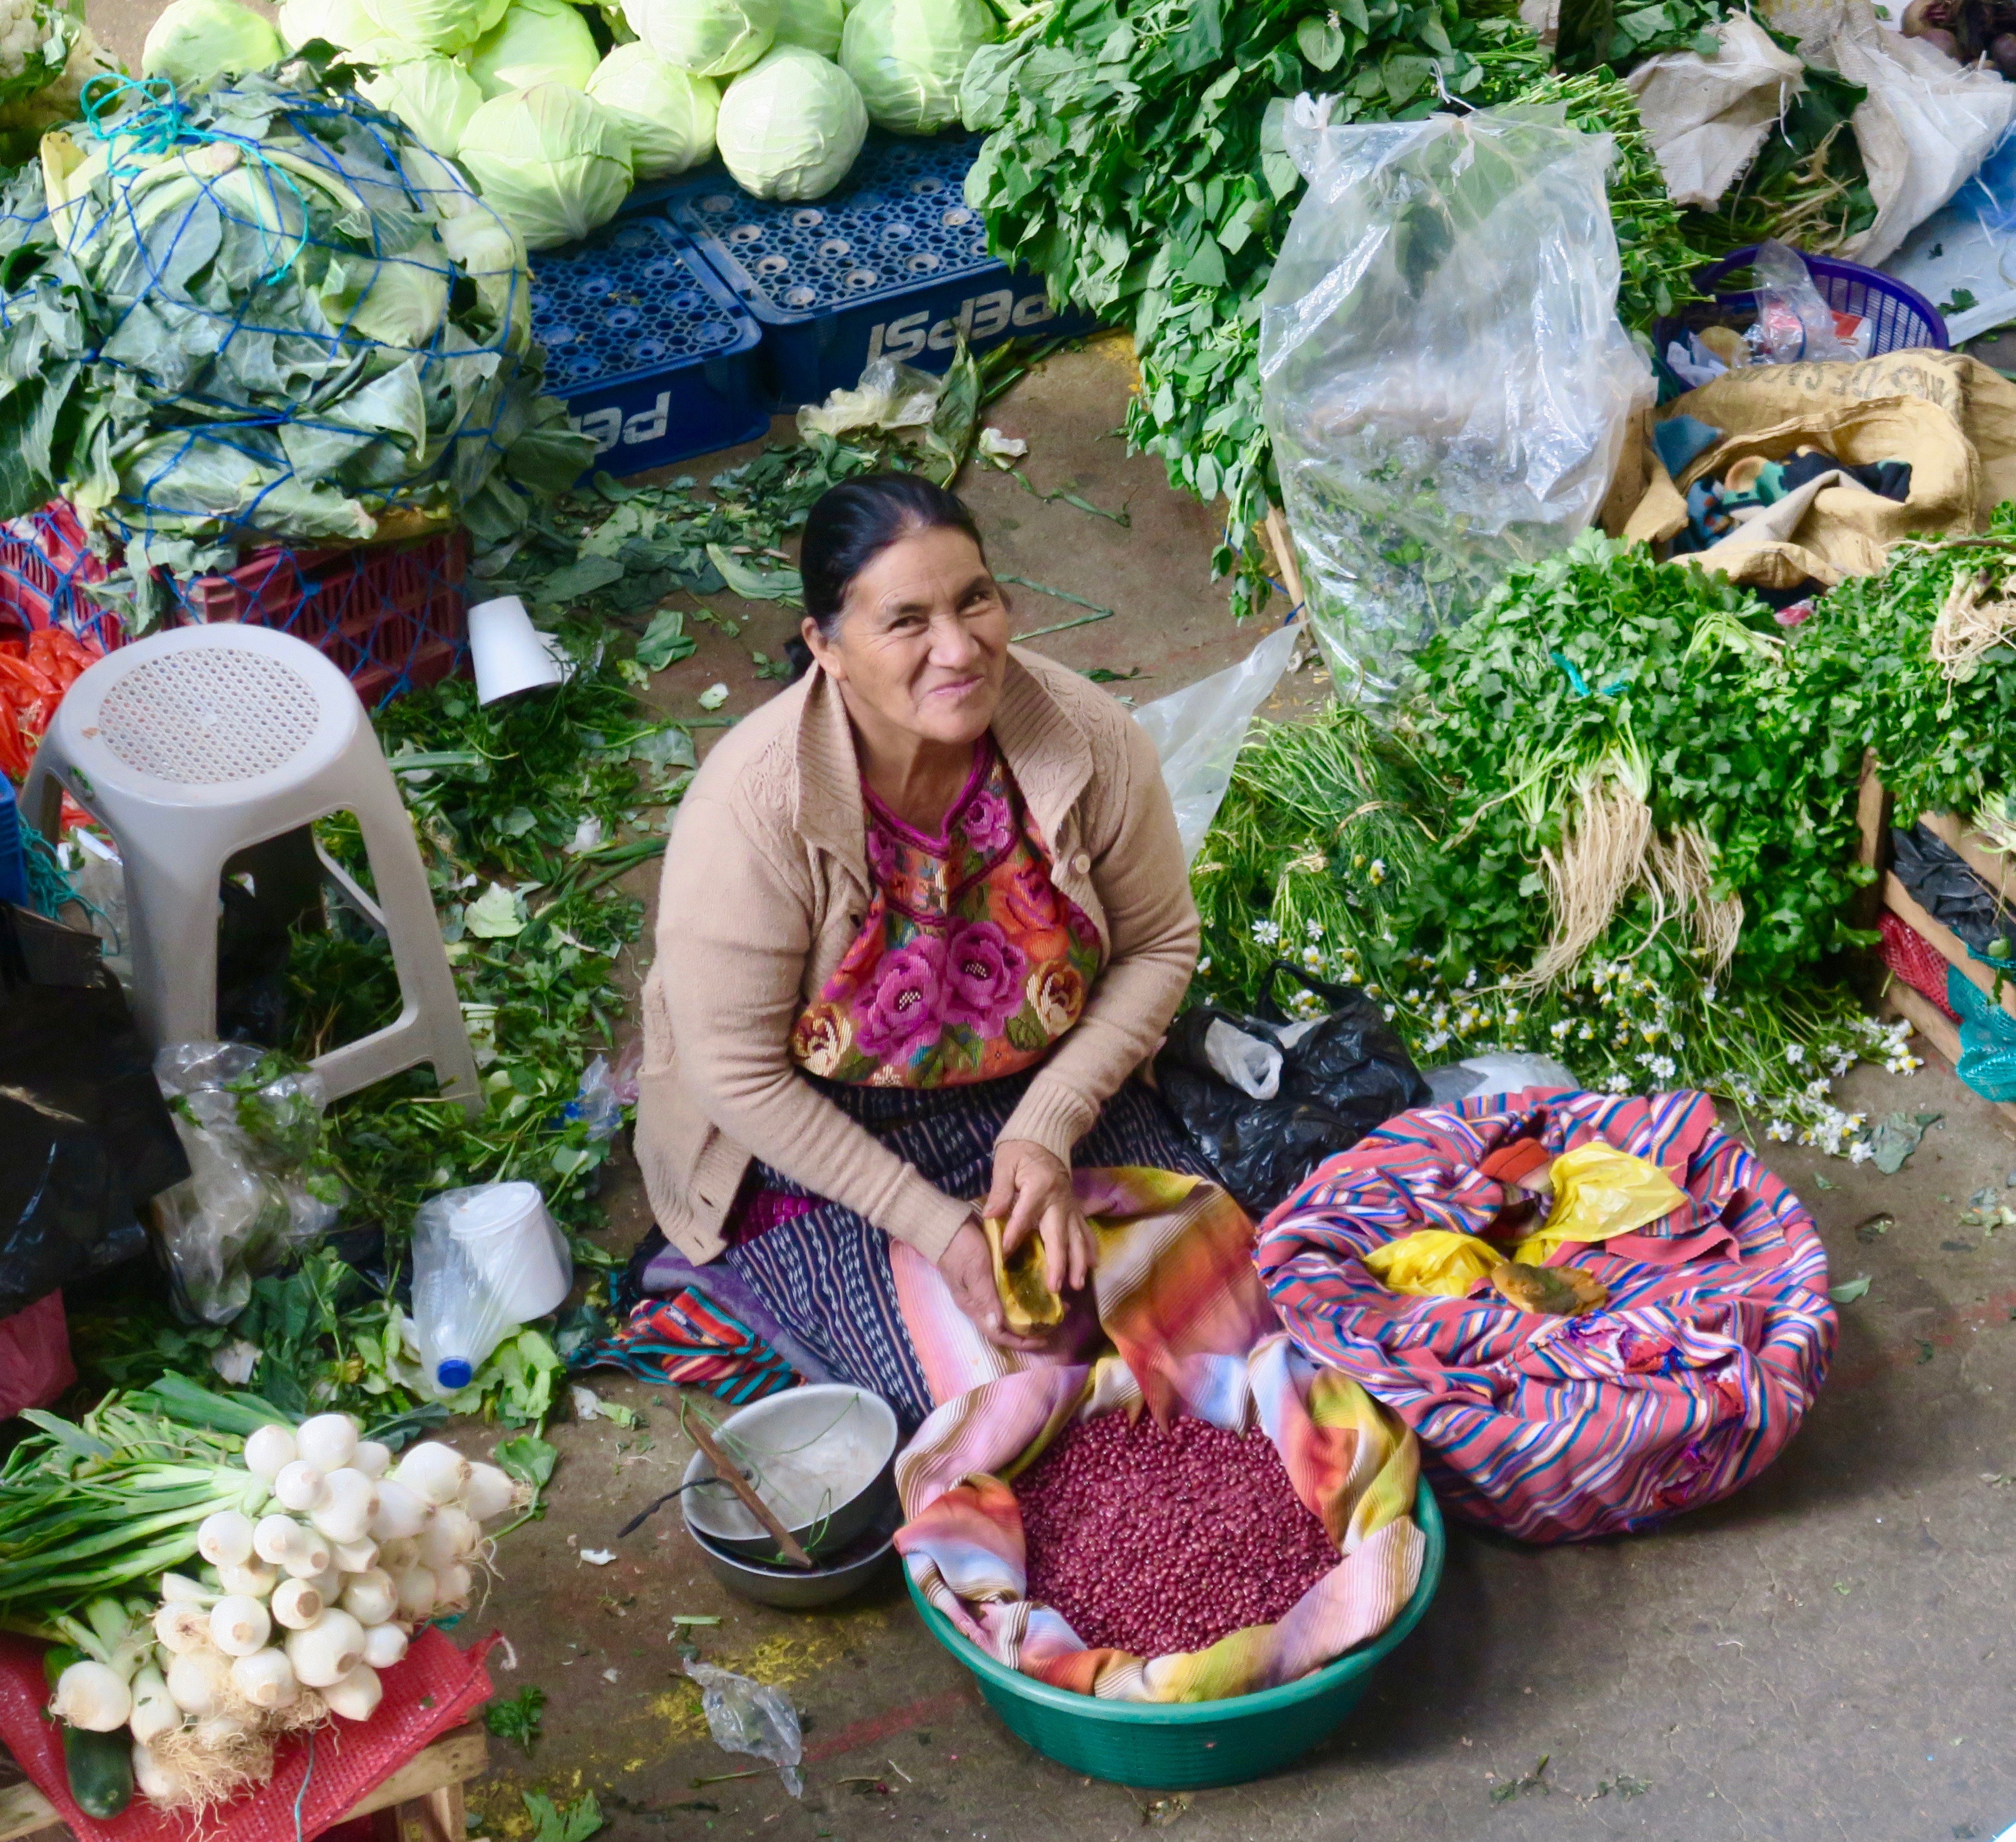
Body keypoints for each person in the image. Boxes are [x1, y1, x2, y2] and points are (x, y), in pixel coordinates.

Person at [633, 472, 1214, 1426]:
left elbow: (1158, 943)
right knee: (998, 1402)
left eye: (974, 600)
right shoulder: (755, 807)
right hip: (826, 1128)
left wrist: (1049, 1123)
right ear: (826, 647)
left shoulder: (1088, 743)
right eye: (906, 621)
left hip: (1035, 1084)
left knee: (1202, 1322)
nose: (958, 649)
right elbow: (734, 1076)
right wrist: (938, 1230)